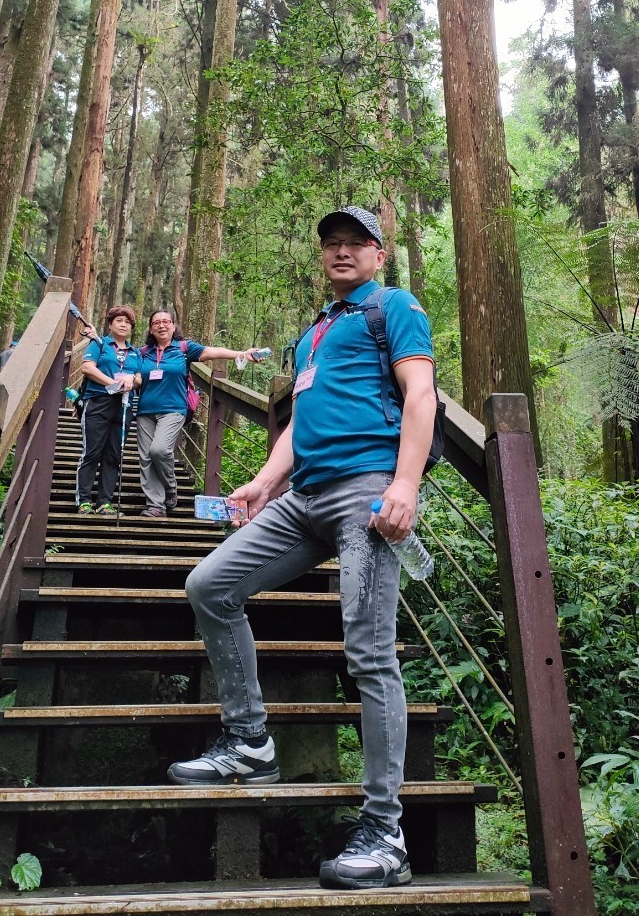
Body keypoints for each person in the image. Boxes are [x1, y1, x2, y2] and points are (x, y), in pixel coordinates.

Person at [168, 206, 437, 891]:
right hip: (303, 498)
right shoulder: (312, 334)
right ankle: (251, 743)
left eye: (357, 243)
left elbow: (421, 396)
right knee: (210, 586)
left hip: (366, 491)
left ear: (380, 254)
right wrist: (262, 481)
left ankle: (386, 834)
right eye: (332, 243)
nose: (342, 251)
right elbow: (298, 420)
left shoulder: (394, 308)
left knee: (369, 654)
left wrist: (405, 482)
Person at [133, 309, 266, 519]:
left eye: (166, 321)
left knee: (159, 450)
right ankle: (155, 505)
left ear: (174, 325)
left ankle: (170, 488)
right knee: (146, 458)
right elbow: (136, 375)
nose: (161, 325)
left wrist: (242, 354)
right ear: (151, 328)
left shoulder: (184, 348)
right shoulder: (143, 353)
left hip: (174, 409)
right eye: (156, 322)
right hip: (145, 411)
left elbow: (213, 352)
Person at [75, 305, 142, 515]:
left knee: (113, 454)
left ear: (131, 328)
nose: (123, 325)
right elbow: (87, 368)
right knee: (91, 451)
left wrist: (132, 381)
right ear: (111, 324)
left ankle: (105, 501)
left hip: (123, 406)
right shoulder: (100, 343)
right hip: (98, 402)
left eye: (127, 322)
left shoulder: (135, 353)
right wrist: (113, 383)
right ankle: (84, 500)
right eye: (119, 321)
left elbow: (139, 378)